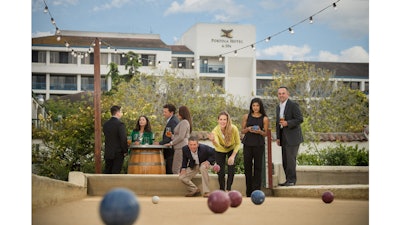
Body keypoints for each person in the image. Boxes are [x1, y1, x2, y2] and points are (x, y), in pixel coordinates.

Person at [241, 98, 269, 197]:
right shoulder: (246, 116)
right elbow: (242, 131)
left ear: (260, 106)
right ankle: (248, 192)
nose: (255, 108)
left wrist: (259, 132)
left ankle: (256, 192)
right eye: (254, 106)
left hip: (258, 144)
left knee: (258, 168)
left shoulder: (264, 118)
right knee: (247, 167)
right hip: (247, 144)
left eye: (257, 106)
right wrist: (248, 129)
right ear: (251, 106)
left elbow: (265, 134)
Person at [276, 86, 304, 186]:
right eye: (279, 94)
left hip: (293, 138)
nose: (281, 95)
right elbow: (277, 123)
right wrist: (278, 137)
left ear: (287, 94)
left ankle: (292, 181)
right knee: (285, 160)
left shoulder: (293, 105)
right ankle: (288, 180)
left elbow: (300, 119)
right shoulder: (278, 107)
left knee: (291, 160)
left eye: (283, 93)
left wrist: (288, 123)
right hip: (283, 137)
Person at [207, 111, 241, 192]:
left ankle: (229, 189)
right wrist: (213, 141)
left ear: (228, 120)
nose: (222, 121)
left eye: (224, 119)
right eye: (221, 119)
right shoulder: (215, 130)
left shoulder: (234, 128)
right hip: (220, 149)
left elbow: (238, 143)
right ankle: (222, 190)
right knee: (220, 171)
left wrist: (232, 156)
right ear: (218, 120)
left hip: (232, 148)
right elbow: (217, 144)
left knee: (231, 168)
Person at [165, 105, 192, 174]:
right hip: (179, 148)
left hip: (181, 148)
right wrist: (172, 135)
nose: (177, 114)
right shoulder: (183, 122)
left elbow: (181, 137)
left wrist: (171, 143)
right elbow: (179, 136)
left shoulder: (184, 122)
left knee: (176, 169)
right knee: (178, 169)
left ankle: (177, 184)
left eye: (179, 112)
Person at [102, 105, 129, 174]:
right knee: (115, 173)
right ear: (118, 113)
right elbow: (123, 138)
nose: (122, 113)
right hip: (118, 153)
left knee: (107, 172)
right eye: (121, 112)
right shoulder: (120, 124)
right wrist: (125, 150)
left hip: (108, 152)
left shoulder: (106, 124)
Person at [154, 104, 180, 174]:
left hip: (171, 150)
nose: (163, 114)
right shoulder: (171, 120)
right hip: (171, 150)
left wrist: (159, 143)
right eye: (163, 112)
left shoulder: (173, 121)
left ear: (171, 113)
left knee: (170, 170)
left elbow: (170, 138)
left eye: (165, 112)